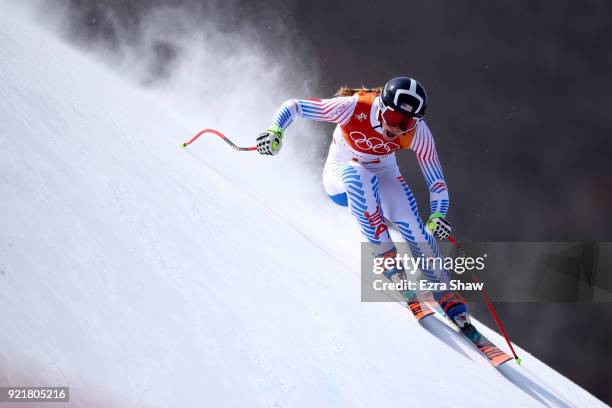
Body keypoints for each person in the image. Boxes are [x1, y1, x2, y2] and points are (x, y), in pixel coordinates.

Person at [256, 77, 470, 330]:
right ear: (381, 106)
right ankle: (387, 258)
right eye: (393, 118)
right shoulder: (353, 107)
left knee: (414, 226)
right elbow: (295, 106)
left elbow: (436, 182)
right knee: (360, 175)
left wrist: (437, 215)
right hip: (342, 174)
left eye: (407, 122)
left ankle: (445, 292)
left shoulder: (417, 132)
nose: (398, 128)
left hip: (384, 174)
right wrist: (275, 131)